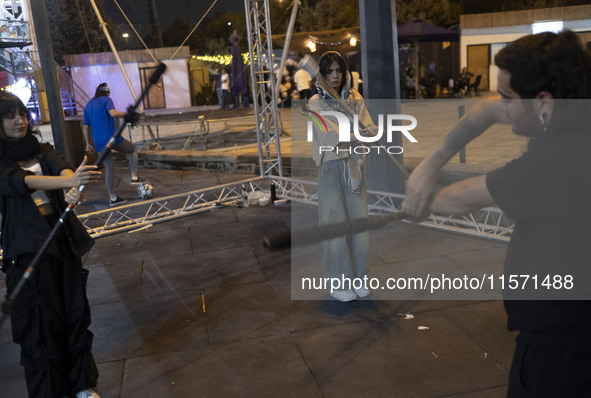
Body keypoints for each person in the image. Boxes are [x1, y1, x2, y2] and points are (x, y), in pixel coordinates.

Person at [402, 30, 591, 397]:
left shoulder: (558, 160)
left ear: (543, 103)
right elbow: (486, 110)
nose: (500, 105)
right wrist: (432, 161)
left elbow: (459, 199)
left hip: (565, 348)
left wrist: (419, 195)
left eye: (509, 97)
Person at [0, 92, 102, 397]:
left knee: (74, 314)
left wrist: (73, 182)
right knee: (40, 325)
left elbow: (62, 167)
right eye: (9, 116)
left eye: (22, 113)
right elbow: (21, 181)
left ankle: (81, 386)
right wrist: (67, 184)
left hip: (61, 240)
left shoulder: (42, 149)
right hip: (27, 247)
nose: (19, 121)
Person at [308, 51, 375, 302]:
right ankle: (339, 282)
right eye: (329, 72)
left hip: (355, 166)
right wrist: (357, 133)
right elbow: (331, 135)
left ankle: (360, 278)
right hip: (330, 167)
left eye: (339, 70)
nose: (335, 76)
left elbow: (366, 125)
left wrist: (370, 130)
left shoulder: (355, 97)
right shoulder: (315, 102)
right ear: (323, 75)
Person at [83, 83, 143, 206]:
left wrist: (88, 144)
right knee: (132, 149)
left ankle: (113, 198)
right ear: (107, 92)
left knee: (109, 169)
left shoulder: (88, 105)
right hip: (111, 138)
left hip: (98, 142)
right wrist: (128, 114)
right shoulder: (107, 99)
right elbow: (113, 113)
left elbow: (85, 127)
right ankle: (134, 177)